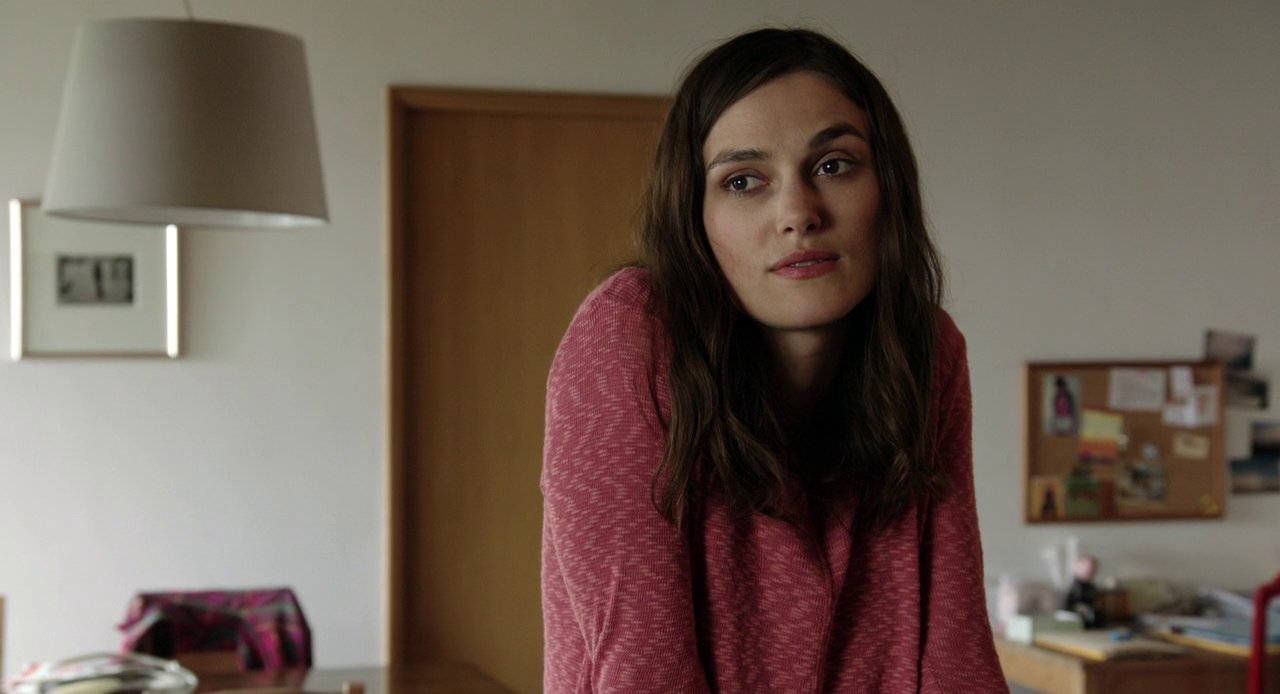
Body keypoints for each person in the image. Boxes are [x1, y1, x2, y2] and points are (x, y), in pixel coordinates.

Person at [541, 27, 1006, 693]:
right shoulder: (631, 332)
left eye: (834, 166)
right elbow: (642, 673)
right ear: (695, 219)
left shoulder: (927, 350)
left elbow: (957, 652)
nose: (797, 213)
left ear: (889, 188)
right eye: (743, 181)